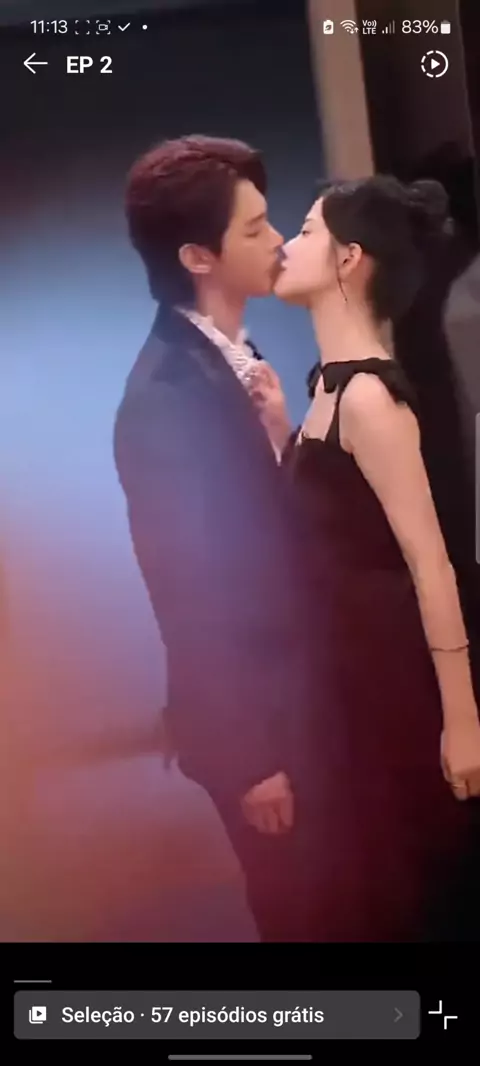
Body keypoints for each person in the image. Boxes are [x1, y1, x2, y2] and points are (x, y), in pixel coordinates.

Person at [256, 173, 480, 940]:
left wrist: (463, 720)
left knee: (399, 879)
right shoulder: (328, 389)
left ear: (350, 258)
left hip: (384, 669)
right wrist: (280, 430)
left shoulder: (370, 401)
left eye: (306, 231)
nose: (287, 245)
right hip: (342, 666)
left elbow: (431, 562)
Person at [113, 135, 325, 941]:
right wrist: (250, 758)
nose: (278, 240)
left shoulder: (233, 358)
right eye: (255, 228)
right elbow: (189, 591)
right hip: (261, 720)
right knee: (305, 913)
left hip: (297, 691)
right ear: (199, 257)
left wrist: (279, 440)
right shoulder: (167, 396)